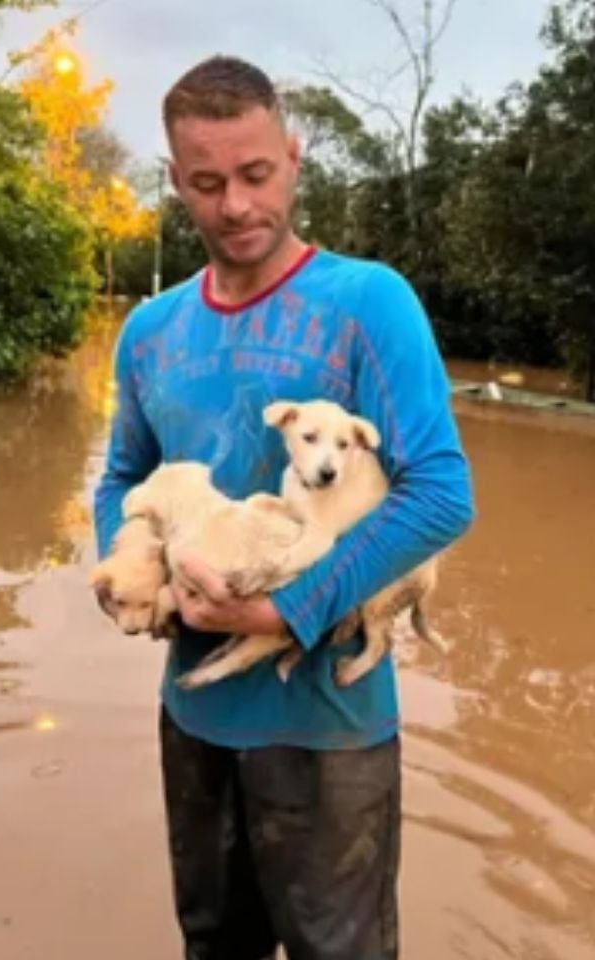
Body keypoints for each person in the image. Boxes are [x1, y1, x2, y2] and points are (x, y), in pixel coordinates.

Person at [93, 55, 475, 960]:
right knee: (212, 942)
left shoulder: (367, 303)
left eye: (256, 174)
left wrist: (285, 609)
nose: (235, 205)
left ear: (294, 159)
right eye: (208, 182)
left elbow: (440, 493)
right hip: (195, 719)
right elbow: (122, 479)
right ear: (177, 183)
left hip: (330, 737)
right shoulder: (150, 333)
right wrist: (127, 568)